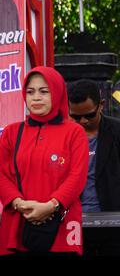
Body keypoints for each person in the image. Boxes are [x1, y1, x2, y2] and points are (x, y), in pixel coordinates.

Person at [0, 66, 89, 255]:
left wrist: (51, 206)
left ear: (57, 93)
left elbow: (77, 176)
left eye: (44, 91)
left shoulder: (74, 132)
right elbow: (1, 173)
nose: (36, 97)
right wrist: (19, 204)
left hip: (62, 226)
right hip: (17, 223)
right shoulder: (11, 132)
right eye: (30, 92)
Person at [67, 79, 120, 256]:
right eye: (76, 117)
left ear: (101, 105)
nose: (83, 121)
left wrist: (119, 207)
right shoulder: (65, 134)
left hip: (113, 222)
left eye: (89, 115)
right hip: (73, 222)